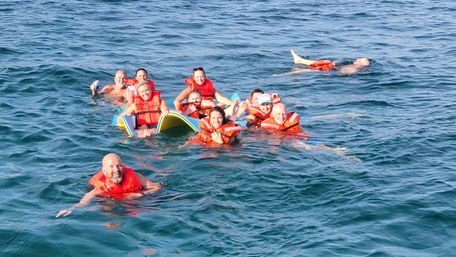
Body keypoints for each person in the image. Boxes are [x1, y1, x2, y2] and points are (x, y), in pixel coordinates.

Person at [56, 153, 161, 218]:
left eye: (118, 166)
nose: (116, 170)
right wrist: (72, 209)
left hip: (135, 203)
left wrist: (142, 194)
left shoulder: (135, 177)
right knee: (100, 208)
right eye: (111, 167)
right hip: (111, 202)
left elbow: (158, 186)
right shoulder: (100, 187)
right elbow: (85, 200)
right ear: (104, 171)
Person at [290, 49, 370, 75]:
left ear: (360, 63)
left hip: (332, 70)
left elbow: (344, 73)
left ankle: (300, 68)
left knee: (319, 67)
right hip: (333, 68)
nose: (357, 59)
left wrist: (333, 67)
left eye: (359, 59)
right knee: (326, 62)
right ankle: (300, 61)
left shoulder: (355, 68)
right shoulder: (354, 65)